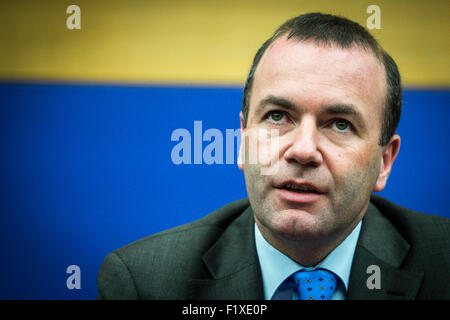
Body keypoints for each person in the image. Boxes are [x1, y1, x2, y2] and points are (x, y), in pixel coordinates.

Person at [97, 12, 450, 300]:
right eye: (278, 116)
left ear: (384, 162)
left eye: (340, 124)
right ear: (243, 140)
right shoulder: (143, 283)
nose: (302, 150)